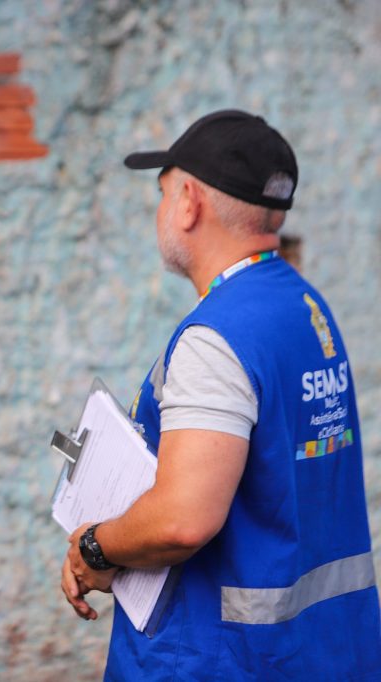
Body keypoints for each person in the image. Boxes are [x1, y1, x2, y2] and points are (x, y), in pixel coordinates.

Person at [59, 110, 381, 679]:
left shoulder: (217, 338)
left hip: (219, 659)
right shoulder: (306, 308)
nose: (161, 211)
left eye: (162, 194)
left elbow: (183, 520)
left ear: (188, 202)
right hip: (323, 650)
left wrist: (95, 547)